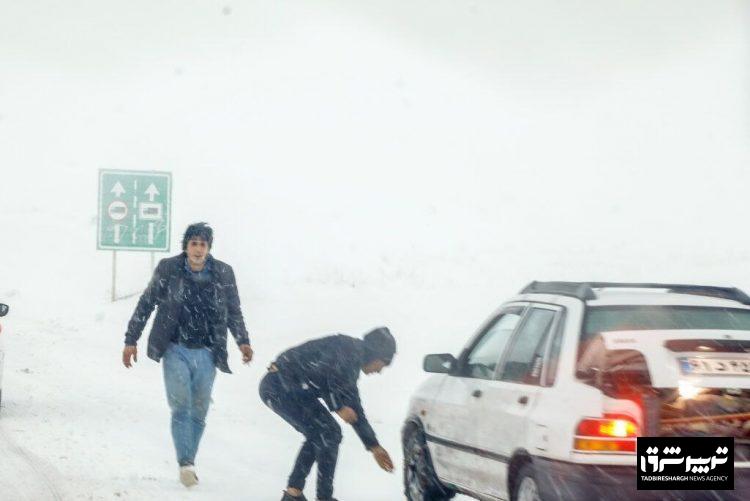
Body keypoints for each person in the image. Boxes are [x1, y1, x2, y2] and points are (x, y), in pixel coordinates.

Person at [121, 222, 253, 487]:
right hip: (174, 348)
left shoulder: (223, 273)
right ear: (186, 246)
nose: (198, 249)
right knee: (181, 405)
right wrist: (130, 340)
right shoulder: (169, 269)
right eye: (193, 243)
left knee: (200, 410)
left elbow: (234, 310)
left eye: (203, 244)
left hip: (208, 351)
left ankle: (189, 459)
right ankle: (185, 463)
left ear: (209, 248)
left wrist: (243, 341)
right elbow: (146, 303)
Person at [259, 327, 396, 501]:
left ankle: (294, 493)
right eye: (383, 364)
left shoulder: (351, 362)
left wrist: (374, 446)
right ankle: (320, 497)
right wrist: (337, 406)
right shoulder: (348, 349)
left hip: (292, 391)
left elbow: (355, 409)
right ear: (376, 354)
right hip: (278, 387)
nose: (380, 370)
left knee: (323, 432)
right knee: (327, 432)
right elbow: (324, 372)